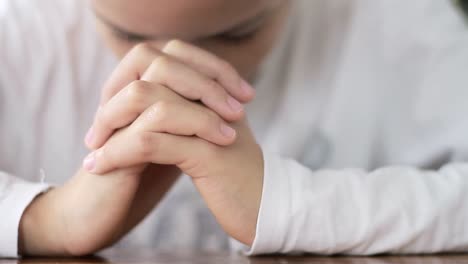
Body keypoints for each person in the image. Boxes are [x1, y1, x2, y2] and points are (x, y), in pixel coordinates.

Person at [1, 0, 468, 258]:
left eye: (234, 35)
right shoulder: (18, 32)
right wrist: (43, 220)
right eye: (129, 37)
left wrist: (287, 202)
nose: (169, 73)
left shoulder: (397, 22)